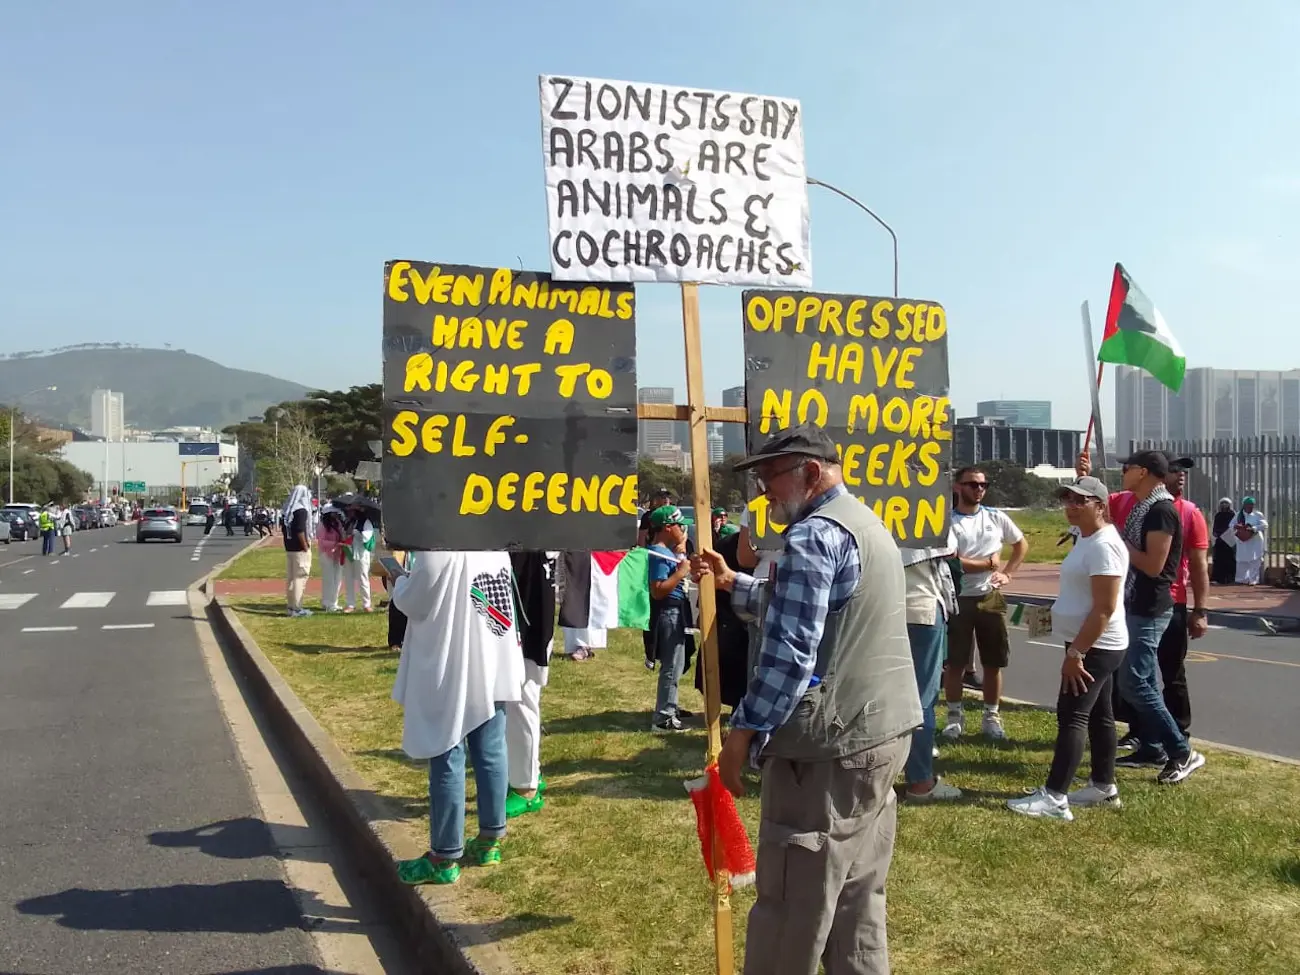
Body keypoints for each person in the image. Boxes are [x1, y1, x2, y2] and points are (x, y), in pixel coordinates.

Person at [692, 423, 921, 975]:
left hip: (828, 750)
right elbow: (816, 609)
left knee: (792, 907)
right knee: (856, 903)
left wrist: (743, 733)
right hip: (883, 734)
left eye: (771, 476)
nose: (764, 491)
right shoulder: (865, 524)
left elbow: (791, 654)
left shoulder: (813, 535)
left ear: (811, 472)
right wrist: (734, 584)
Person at [391, 550, 523, 886]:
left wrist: (398, 580)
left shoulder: (438, 551)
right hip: (492, 661)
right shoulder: (494, 549)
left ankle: (444, 856)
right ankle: (490, 840)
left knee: (447, 750)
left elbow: (415, 601)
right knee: (491, 750)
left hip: (452, 665)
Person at [1007, 477, 1129, 821]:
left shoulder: (1104, 545)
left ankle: (1055, 797)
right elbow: (1079, 599)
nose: (1071, 506)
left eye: (1080, 500)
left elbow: (1104, 608)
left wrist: (1076, 654)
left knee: (1072, 715)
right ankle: (1103, 786)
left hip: (1094, 646)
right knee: (1100, 715)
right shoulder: (1086, 538)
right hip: (1087, 641)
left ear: (1100, 506)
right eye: (1068, 499)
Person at [1087, 456, 1209, 750]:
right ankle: (1150, 744)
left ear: (1142, 472)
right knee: (1143, 679)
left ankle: (1178, 743)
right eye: (1173, 469)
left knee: (1144, 680)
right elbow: (1095, 503)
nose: (1122, 473)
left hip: (1157, 604)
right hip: (1137, 599)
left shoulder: (1165, 511)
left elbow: (1160, 566)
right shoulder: (1138, 505)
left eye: (1126, 469)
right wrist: (1086, 475)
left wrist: (1200, 609)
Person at [943, 466, 1030, 741]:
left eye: (983, 485)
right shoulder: (948, 520)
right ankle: (954, 717)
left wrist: (1007, 573)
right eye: (972, 484)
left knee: (993, 661)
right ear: (957, 487)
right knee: (955, 663)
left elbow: (1021, 544)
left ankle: (992, 716)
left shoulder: (995, 516)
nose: (979, 489)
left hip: (990, 597)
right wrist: (989, 563)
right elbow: (953, 560)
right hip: (958, 597)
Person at [901, 532, 962, 803]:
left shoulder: (872, 511)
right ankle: (920, 782)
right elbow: (951, 548)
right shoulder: (928, 514)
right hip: (921, 606)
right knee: (921, 699)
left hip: (879, 607)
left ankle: (870, 776)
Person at [504, 550, 555, 818]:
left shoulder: (529, 546)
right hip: (527, 621)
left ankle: (526, 788)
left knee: (521, 703)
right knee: (518, 703)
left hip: (527, 628)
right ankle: (530, 771)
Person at [647, 504, 696, 733]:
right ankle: (663, 717)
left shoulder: (667, 551)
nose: (683, 529)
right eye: (679, 525)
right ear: (667, 527)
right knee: (671, 665)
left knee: (679, 663)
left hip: (677, 610)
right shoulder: (658, 554)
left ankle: (670, 705)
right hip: (669, 612)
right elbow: (657, 590)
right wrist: (680, 572)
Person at [281, 485, 314, 618]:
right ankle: (297, 607)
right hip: (299, 549)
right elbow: (300, 530)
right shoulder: (301, 510)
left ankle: (291, 606)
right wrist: (305, 546)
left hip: (290, 548)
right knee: (300, 577)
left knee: (291, 578)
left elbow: (284, 530)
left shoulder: (287, 511)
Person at [343, 503, 377, 613]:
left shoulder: (366, 522)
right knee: (349, 578)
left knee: (363, 578)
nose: (350, 512)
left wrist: (356, 533)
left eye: (352, 510)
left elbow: (366, 537)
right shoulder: (349, 522)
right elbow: (344, 534)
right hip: (349, 551)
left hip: (361, 553)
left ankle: (366, 604)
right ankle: (350, 604)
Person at [1228, 496, 1267, 585]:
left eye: (1251, 504)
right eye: (1248, 504)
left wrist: (1253, 528)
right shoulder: (1239, 515)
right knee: (1241, 560)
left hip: (1255, 540)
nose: (1250, 506)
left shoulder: (1258, 514)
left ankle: (1253, 580)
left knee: (1255, 560)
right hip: (1242, 540)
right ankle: (1241, 579)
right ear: (1244, 505)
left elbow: (1265, 525)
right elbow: (1230, 525)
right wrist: (1236, 526)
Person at [316, 505, 346, 613]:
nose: (336, 514)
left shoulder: (337, 524)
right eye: (334, 513)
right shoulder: (323, 525)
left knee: (337, 578)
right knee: (329, 579)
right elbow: (321, 542)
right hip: (326, 554)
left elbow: (341, 536)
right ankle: (328, 603)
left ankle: (333, 602)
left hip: (337, 554)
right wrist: (335, 543)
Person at [1211, 498, 1237, 584]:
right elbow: (1214, 526)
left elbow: (1233, 526)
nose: (1224, 505)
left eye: (1226, 503)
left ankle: (1230, 578)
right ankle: (1218, 578)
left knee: (1230, 560)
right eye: (1222, 503)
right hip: (1219, 541)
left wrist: (1226, 534)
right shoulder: (1218, 515)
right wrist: (1216, 534)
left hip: (1229, 541)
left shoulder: (1233, 514)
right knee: (1218, 560)